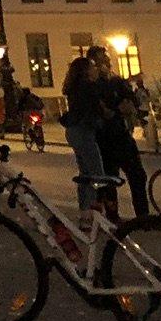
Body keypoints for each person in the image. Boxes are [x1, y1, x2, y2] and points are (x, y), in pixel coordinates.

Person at [59, 46, 111, 220]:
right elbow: (100, 105)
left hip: (74, 130)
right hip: (83, 131)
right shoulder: (88, 87)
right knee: (97, 174)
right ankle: (98, 210)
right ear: (85, 71)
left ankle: (85, 213)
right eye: (92, 67)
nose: (95, 69)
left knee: (85, 173)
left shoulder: (74, 87)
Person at [95, 60, 149, 218]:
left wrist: (128, 103)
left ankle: (143, 216)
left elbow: (132, 100)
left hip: (122, 135)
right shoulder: (93, 86)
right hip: (105, 138)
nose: (105, 65)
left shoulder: (115, 82)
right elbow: (104, 111)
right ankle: (113, 216)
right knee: (110, 179)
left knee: (137, 176)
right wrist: (117, 108)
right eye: (100, 60)